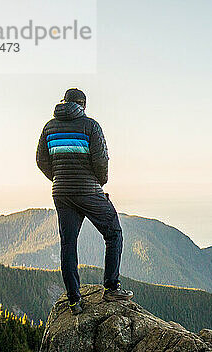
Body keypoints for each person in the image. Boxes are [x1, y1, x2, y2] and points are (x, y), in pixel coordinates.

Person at [36, 88, 133, 315]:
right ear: (83, 105)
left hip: (61, 192)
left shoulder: (49, 127)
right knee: (114, 233)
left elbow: (41, 160)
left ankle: (73, 300)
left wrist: (59, 177)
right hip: (88, 190)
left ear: (64, 102)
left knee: (68, 245)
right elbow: (101, 161)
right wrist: (98, 182)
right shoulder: (90, 126)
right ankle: (111, 288)